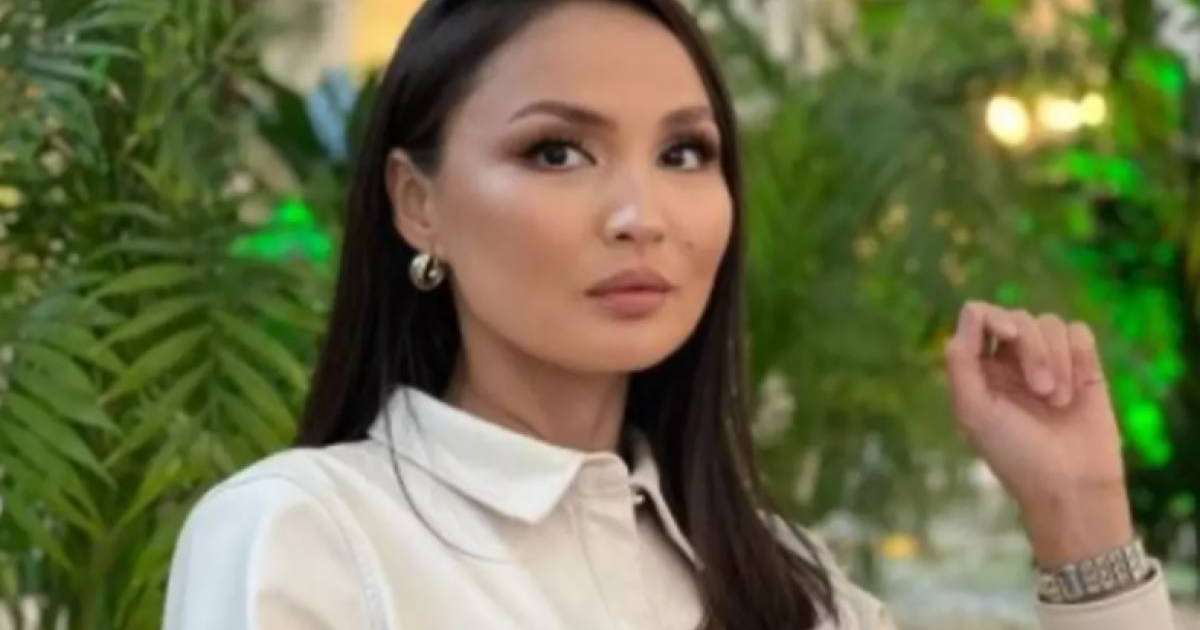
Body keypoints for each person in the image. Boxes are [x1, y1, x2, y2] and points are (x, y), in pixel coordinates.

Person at [161, 1, 1178, 628]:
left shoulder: (792, 584)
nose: (642, 216)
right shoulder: (307, 534)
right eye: (557, 151)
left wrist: (1079, 510)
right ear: (417, 202)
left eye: (684, 153)